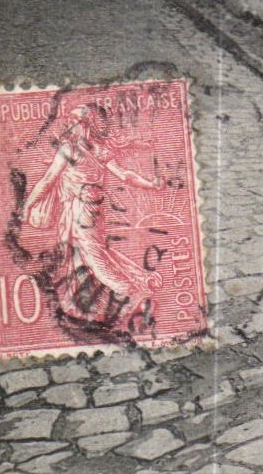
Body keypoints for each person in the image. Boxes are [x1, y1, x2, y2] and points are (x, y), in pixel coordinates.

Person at [19, 104, 163, 332]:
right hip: (92, 209)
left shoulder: (70, 150)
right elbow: (125, 176)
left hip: (80, 210)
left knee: (93, 257)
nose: (70, 125)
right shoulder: (100, 149)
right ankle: (89, 307)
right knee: (84, 255)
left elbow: (48, 180)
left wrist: (27, 206)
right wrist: (150, 184)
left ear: (84, 125)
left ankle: (133, 293)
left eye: (74, 120)